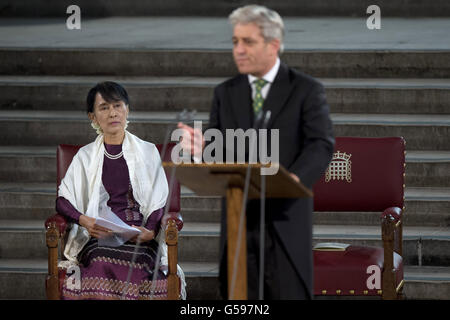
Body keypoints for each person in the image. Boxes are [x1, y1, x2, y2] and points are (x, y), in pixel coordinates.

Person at [177, 5, 334, 299]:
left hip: (285, 220)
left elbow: (321, 144)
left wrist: (295, 180)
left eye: (248, 42)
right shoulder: (225, 92)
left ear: (273, 44)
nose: (238, 50)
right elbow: (221, 149)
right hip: (239, 222)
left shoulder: (305, 89)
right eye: (235, 42)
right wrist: (203, 150)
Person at [55, 81, 185, 300]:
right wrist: (85, 221)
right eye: (104, 107)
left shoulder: (147, 151)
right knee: (100, 260)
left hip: (138, 237)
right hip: (99, 237)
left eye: (117, 105)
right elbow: (63, 201)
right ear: (93, 117)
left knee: (135, 262)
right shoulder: (85, 157)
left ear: (127, 110)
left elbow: (158, 200)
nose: (112, 113)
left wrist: (150, 231)